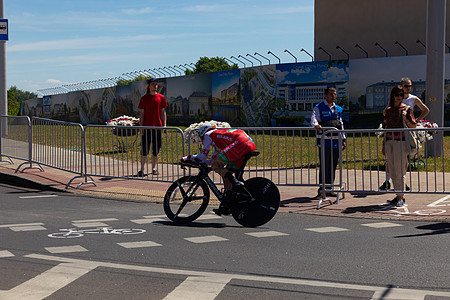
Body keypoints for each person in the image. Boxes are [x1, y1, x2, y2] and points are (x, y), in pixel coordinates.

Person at [181, 122, 256, 215]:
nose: (202, 140)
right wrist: (201, 161)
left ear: (202, 133)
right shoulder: (217, 140)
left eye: (201, 138)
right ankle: (227, 202)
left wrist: (186, 158)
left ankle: (236, 184)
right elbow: (211, 160)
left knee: (216, 167)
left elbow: (204, 156)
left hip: (240, 143)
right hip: (248, 143)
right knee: (225, 172)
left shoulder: (208, 134)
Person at [379, 77, 429, 190]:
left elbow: (426, 110)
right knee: (390, 160)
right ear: (401, 86)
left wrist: (416, 120)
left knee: (403, 161)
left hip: (405, 134)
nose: (408, 88)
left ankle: (402, 184)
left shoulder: (413, 99)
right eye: (406, 86)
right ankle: (388, 181)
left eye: (410, 86)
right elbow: (385, 112)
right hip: (392, 134)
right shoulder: (395, 100)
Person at [382, 86, 417, 206]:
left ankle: (401, 196)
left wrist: (404, 118)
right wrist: (384, 145)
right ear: (392, 96)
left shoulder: (407, 109)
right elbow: (385, 128)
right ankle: (397, 195)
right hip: (389, 142)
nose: (398, 97)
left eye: (401, 94)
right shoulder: (388, 110)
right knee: (391, 170)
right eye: (396, 94)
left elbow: (414, 125)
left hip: (401, 142)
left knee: (400, 170)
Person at [310, 87, 346, 199]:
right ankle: (322, 190)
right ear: (325, 95)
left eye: (335, 94)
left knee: (333, 165)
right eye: (331, 94)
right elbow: (314, 118)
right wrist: (316, 125)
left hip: (336, 142)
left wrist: (343, 139)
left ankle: (329, 189)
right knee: (324, 165)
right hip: (324, 142)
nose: (333, 96)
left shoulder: (338, 109)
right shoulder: (319, 107)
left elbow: (341, 124)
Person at [137, 78, 167, 177]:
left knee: (156, 148)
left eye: (156, 84)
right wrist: (141, 127)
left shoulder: (161, 97)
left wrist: (164, 125)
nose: (155, 86)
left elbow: (163, 112)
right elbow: (142, 114)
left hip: (157, 127)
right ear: (149, 86)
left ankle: (154, 168)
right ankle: (141, 169)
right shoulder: (144, 98)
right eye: (153, 84)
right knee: (145, 149)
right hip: (146, 127)